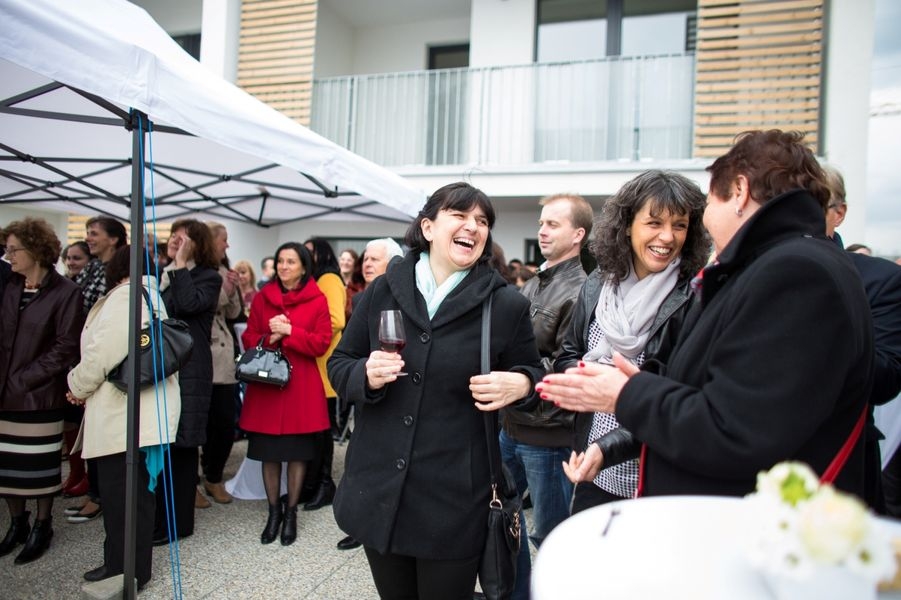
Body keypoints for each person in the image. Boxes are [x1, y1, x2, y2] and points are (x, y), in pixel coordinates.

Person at [539, 130, 873, 498]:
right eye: (654, 223)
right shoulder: (786, 263)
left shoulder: (795, 273)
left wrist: (628, 394)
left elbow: (734, 428)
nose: (705, 221)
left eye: (707, 203)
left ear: (740, 191)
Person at [328, 182, 544, 599]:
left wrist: (522, 383)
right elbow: (340, 365)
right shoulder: (382, 290)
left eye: (482, 221)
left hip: (454, 501)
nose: (472, 227)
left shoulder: (505, 305)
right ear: (428, 227)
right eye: (459, 216)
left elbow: (533, 374)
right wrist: (366, 375)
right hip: (378, 491)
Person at [551, 172, 709, 512]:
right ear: (626, 225)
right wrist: (586, 379)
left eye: (679, 226)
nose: (667, 237)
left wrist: (611, 440)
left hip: (656, 475)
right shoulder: (599, 282)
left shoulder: (695, 296)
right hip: (594, 467)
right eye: (654, 223)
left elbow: (680, 398)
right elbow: (568, 354)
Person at [65, 245, 180, 589]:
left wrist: (76, 385)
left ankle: (122, 570)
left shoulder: (125, 296)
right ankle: (133, 569)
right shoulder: (153, 296)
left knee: (122, 501)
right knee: (138, 499)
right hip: (146, 416)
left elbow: (103, 352)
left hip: (125, 417)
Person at [499, 192, 592, 597]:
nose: (542, 229)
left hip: (550, 436)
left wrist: (521, 379)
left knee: (550, 536)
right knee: (504, 522)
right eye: (541, 222)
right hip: (511, 425)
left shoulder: (584, 290)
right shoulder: (534, 282)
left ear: (578, 234)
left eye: (553, 223)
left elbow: (571, 363)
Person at [0, 218, 84, 564]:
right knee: (7, 466)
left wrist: (24, 379)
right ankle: (17, 524)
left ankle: (42, 525)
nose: (8, 255)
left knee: (39, 467)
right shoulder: (10, 286)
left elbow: (65, 347)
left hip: (39, 395)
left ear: (36, 250)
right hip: (5, 393)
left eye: (14, 249)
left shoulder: (67, 292)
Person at [239, 242, 331, 546]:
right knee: (268, 453)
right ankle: (273, 511)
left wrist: (291, 334)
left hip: (300, 389)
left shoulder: (318, 300)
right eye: (280, 261)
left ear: (304, 267)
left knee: (296, 454)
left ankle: (291, 512)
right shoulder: (264, 297)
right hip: (267, 389)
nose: (284, 266)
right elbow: (249, 337)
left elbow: (321, 343)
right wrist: (270, 336)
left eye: (291, 262)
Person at [822, 167, 901, 514]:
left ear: (839, 213)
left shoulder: (878, 280)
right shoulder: (747, 272)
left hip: (843, 465)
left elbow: (885, 378)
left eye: (814, 205)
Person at [152, 219, 222, 546]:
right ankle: (159, 519)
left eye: (183, 238)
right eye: (172, 236)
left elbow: (191, 305)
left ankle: (178, 524)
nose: (174, 241)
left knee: (182, 445)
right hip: (164, 367)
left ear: (197, 244)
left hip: (191, 368)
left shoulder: (208, 277)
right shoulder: (161, 276)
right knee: (163, 441)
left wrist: (179, 265)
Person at [332, 236, 403, 552]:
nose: (368, 264)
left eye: (376, 259)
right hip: (369, 396)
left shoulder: (410, 299)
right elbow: (347, 353)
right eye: (366, 259)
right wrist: (365, 373)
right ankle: (362, 525)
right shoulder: (361, 301)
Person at [68, 216, 127, 523]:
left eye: (94, 233)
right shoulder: (91, 268)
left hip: (106, 362)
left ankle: (100, 496)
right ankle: (95, 491)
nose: (88, 238)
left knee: (105, 435)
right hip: (86, 357)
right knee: (89, 430)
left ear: (114, 239)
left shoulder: (119, 272)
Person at [198, 222, 242, 506]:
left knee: (225, 423)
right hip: (202, 358)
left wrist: (232, 288)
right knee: (198, 425)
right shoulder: (195, 273)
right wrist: (224, 289)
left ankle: (213, 477)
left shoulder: (223, 271)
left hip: (224, 361)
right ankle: (193, 482)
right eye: (223, 240)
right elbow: (201, 305)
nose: (227, 245)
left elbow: (234, 312)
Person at [302, 238, 346, 511]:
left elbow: (335, 319)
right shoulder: (318, 279)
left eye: (308, 252)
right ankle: (313, 483)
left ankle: (324, 484)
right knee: (314, 430)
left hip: (322, 362)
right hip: (315, 362)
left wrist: (301, 329)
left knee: (321, 431)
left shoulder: (328, 278)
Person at [59, 240, 93, 499]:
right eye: (68, 257)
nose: (71, 262)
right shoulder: (63, 284)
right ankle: (76, 471)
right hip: (68, 361)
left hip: (85, 358)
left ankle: (85, 475)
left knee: (84, 421)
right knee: (70, 420)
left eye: (77, 258)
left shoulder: (86, 285)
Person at [339, 248, 365, 321]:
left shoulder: (359, 286)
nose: (345, 262)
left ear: (355, 263)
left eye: (349, 260)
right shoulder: (334, 282)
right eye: (343, 259)